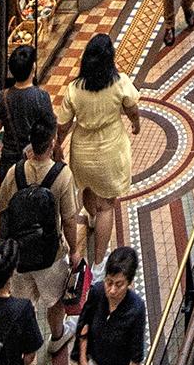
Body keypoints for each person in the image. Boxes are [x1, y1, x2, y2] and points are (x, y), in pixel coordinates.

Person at [0, 133, 82, 352]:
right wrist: (74, 251)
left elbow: (0, 207)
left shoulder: (14, 172)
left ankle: (27, 347)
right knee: (55, 300)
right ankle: (57, 337)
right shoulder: (62, 175)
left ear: (30, 145)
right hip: (50, 254)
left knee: (23, 303)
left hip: (20, 255)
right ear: (52, 143)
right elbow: (69, 220)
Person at [60, 34, 141, 262]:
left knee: (86, 188)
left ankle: (92, 217)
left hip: (82, 152)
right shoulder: (119, 83)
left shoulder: (74, 89)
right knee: (107, 205)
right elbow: (132, 108)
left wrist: (57, 146)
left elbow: (63, 125)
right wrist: (135, 123)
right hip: (110, 150)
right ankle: (98, 261)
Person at [0, 45, 55, 181]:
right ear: (34, 67)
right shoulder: (41, 97)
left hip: (9, 160)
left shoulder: (3, 97)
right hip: (35, 157)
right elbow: (50, 127)